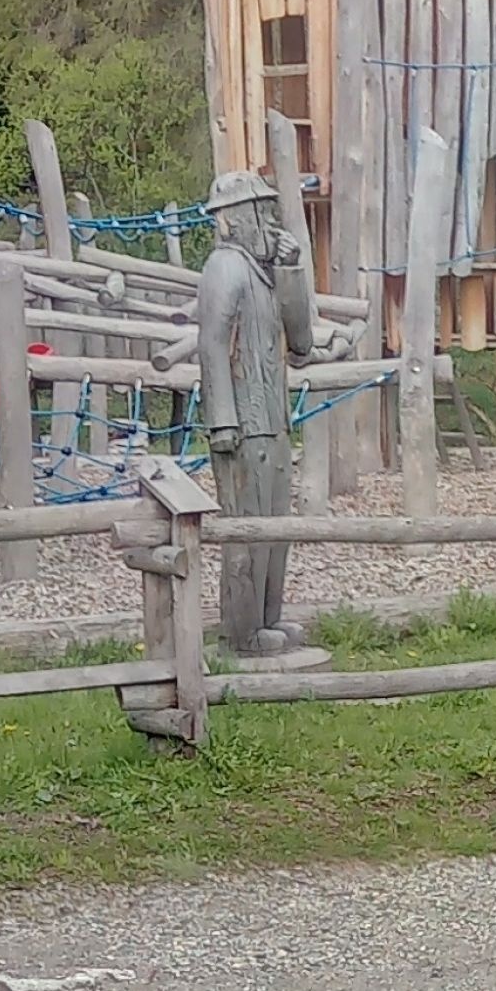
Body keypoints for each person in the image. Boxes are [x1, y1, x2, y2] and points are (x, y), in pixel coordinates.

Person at [194, 168, 306, 654]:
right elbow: (212, 345)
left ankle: (269, 618)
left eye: (268, 209)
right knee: (246, 530)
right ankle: (243, 629)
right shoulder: (224, 268)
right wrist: (222, 420)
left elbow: (300, 342)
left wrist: (292, 272)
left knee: (276, 526)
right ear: (232, 221)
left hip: (273, 422)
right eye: (258, 210)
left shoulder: (264, 272)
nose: (268, 219)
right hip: (241, 427)